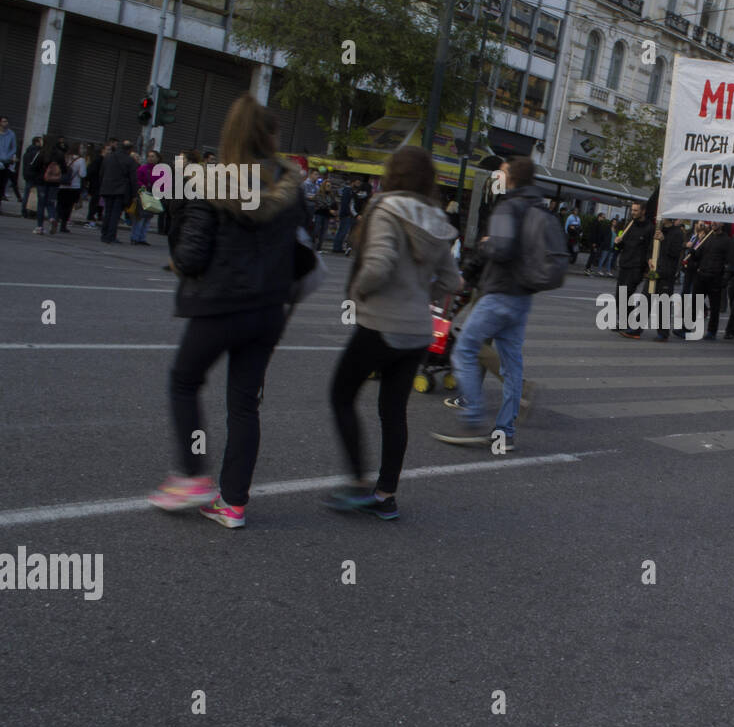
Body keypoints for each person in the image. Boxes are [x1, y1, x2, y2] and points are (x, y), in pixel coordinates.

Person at [147, 94, 309, 528]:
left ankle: (194, 474)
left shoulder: (212, 182)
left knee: (184, 381)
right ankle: (234, 502)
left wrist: (178, 252)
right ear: (268, 136)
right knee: (243, 405)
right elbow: (302, 248)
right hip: (268, 309)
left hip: (221, 304)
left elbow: (194, 254)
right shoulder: (289, 187)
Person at [327, 146, 461, 520]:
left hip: (380, 323)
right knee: (393, 411)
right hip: (418, 330)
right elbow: (452, 279)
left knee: (341, 395)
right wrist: (423, 295)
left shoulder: (385, 209)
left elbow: (379, 264)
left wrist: (360, 292)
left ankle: (355, 483)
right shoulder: (435, 219)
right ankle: (386, 495)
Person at [433, 156, 544, 449]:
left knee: (464, 348)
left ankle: (472, 417)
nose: (499, 175)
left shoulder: (507, 205)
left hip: (498, 290)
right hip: (521, 295)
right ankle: (505, 432)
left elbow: (499, 247)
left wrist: (481, 252)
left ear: (512, 177)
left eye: (503, 171)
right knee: (511, 365)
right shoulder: (536, 208)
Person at [612, 201, 654, 339]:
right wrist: (618, 243)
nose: (633, 213)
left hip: (637, 267)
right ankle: (624, 322)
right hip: (625, 263)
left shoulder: (649, 228)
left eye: (636, 210)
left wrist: (647, 267)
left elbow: (650, 249)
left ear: (643, 211)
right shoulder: (629, 224)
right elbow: (621, 245)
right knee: (620, 295)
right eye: (632, 210)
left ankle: (629, 323)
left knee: (627, 295)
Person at [690, 221, 728, 340]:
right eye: (713, 221)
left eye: (717, 221)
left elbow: (729, 261)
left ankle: (712, 331)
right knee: (695, 303)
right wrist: (693, 249)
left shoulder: (727, 241)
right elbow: (697, 255)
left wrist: (724, 278)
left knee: (714, 306)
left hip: (715, 277)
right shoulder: (706, 237)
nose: (714, 223)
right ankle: (686, 327)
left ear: (722, 224)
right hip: (702, 275)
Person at [649, 218, 686, 342]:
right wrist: (648, 258)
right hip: (654, 270)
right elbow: (651, 247)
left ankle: (663, 333)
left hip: (667, 272)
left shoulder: (677, 233)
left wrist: (664, 240)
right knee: (646, 296)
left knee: (663, 303)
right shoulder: (658, 230)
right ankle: (635, 327)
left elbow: (675, 253)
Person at [99, 138, 137, 243]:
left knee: (107, 212)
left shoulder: (108, 157)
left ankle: (104, 234)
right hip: (121, 190)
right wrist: (134, 194)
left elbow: (101, 173)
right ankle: (111, 236)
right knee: (115, 214)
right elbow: (133, 179)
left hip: (107, 188)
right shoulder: (130, 160)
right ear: (130, 150)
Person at [33, 137, 66, 236]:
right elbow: (64, 169)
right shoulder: (60, 155)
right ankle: (52, 218)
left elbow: (34, 167)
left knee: (41, 204)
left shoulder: (42, 153)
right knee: (51, 203)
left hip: (42, 182)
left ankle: (39, 227)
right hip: (54, 183)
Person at [130, 149, 162, 245]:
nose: (150, 158)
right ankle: (135, 237)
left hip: (153, 195)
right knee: (140, 217)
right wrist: (142, 186)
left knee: (148, 217)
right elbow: (137, 180)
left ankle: (142, 238)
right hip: (143, 194)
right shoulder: (143, 168)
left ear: (158, 158)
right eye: (149, 156)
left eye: (153, 156)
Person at [20, 135, 43, 218]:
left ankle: (24, 211)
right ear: (37, 142)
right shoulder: (37, 153)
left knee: (27, 194)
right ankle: (32, 212)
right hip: (35, 176)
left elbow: (25, 165)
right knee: (35, 195)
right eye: (41, 141)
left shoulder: (27, 152)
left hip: (28, 175)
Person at [0, 115, 18, 211]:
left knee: (2, 184)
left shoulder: (11, 134)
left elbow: (13, 148)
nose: (5, 123)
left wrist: (8, 158)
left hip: (5, 162)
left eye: (6, 121)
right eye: (3, 121)